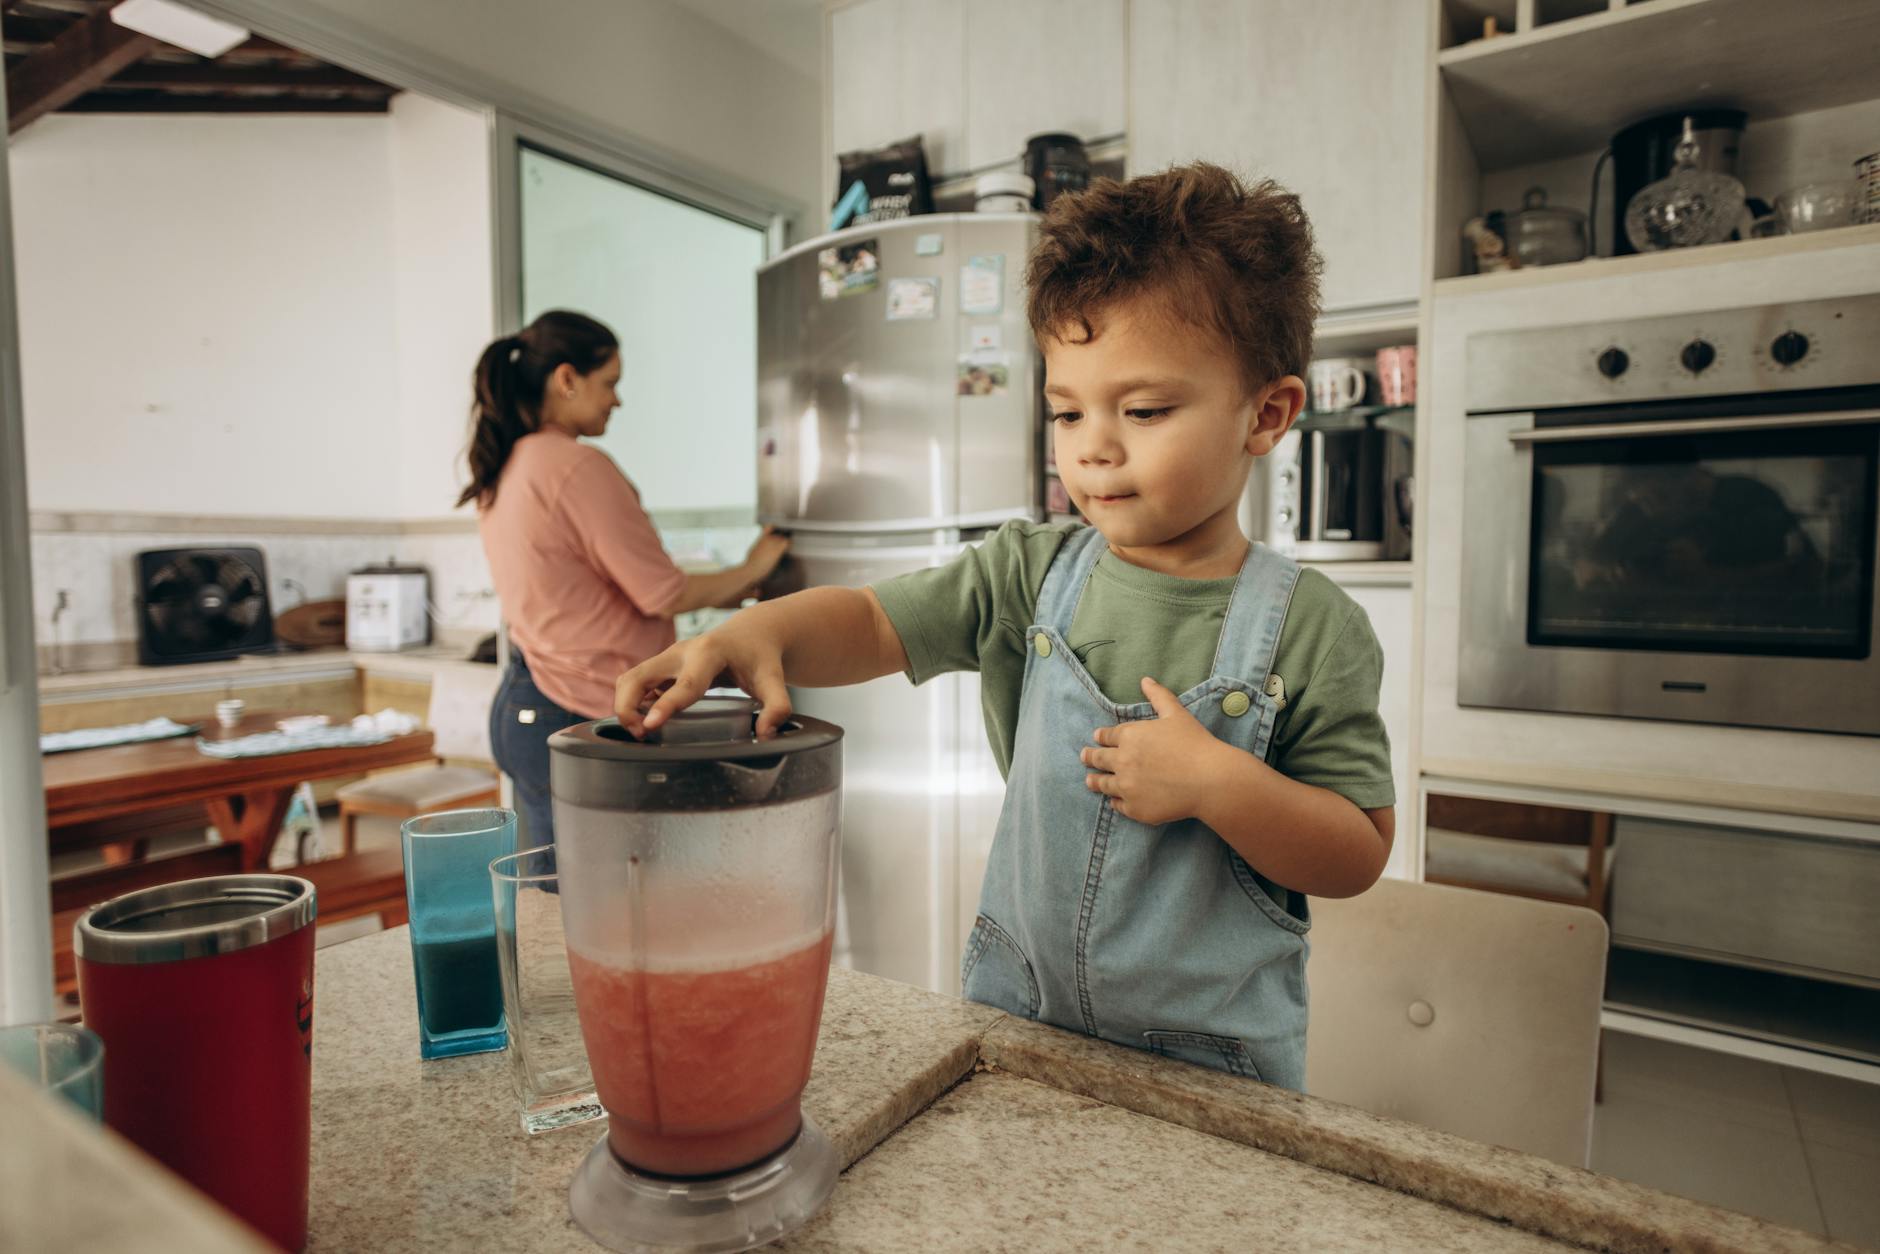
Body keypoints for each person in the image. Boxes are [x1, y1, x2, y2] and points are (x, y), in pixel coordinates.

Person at [612, 165, 1395, 1089]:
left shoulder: (1313, 629)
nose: (1092, 446)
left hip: (1216, 1066)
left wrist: (1221, 786)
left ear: (1266, 414)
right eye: (1067, 411)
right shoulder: (1030, 572)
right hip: (1019, 1028)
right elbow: (872, 620)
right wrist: (758, 633)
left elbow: (1357, 851)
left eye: (1143, 410)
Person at [463, 310, 789, 846]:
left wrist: (742, 585)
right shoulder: (574, 466)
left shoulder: (510, 464)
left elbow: (592, 586)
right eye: (610, 382)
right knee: (603, 902)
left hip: (528, 702)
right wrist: (756, 565)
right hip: (573, 708)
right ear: (567, 378)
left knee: (562, 903)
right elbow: (661, 591)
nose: (617, 399)